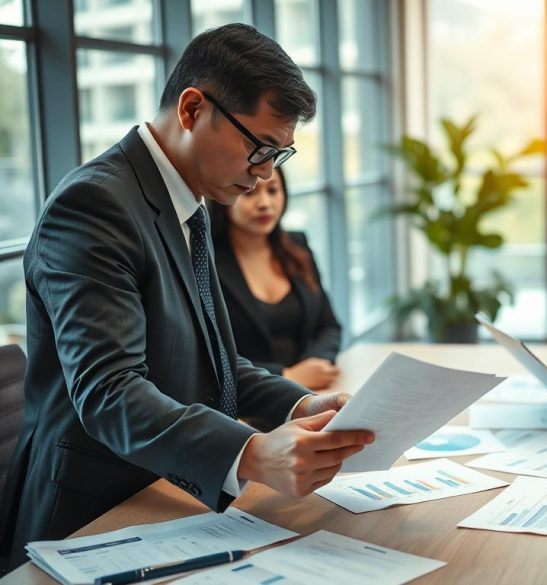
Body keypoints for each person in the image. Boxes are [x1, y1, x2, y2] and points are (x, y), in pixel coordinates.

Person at [0, 24, 373, 572]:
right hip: (90, 520)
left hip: (167, 498)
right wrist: (250, 452)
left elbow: (217, 360)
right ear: (193, 108)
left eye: (280, 155)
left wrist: (300, 405)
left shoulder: (188, 204)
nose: (266, 173)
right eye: (259, 149)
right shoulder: (94, 206)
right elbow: (109, 392)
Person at [209, 168, 342, 390]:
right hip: (249, 398)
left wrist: (313, 365)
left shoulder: (297, 246)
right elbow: (212, 354)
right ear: (224, 197)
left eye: (273, 190)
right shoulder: (207, 262)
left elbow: (328, 326)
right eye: (249, 193)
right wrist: (286, 376)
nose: (265, 203)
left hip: (313, 390)